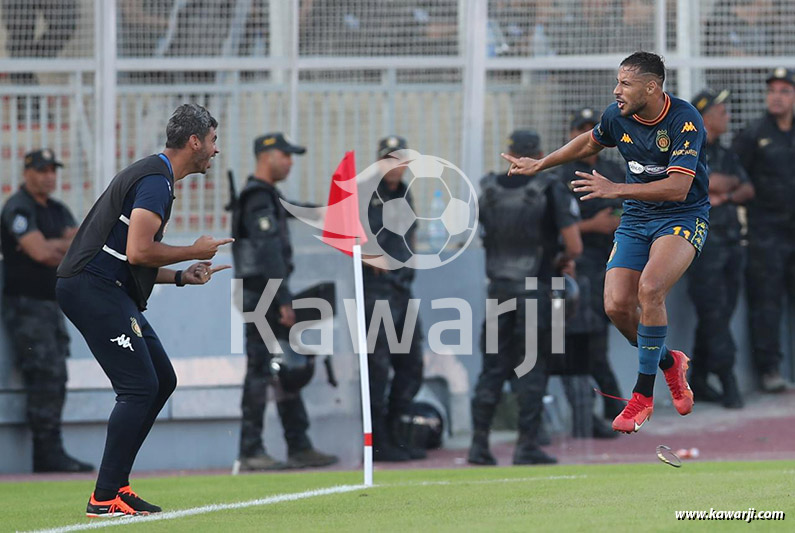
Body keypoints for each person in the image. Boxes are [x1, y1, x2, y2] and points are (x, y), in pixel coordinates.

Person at [502, 51, 706, 434]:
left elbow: (679, 189)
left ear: (652, 86)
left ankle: (642, 395)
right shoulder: (618, 116)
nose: (617, 90)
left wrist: (616, 189)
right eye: (617, 82)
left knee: (650, 289)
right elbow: (589, 143)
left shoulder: (684, 119)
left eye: (625, 83)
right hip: (637, 218)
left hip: (681, 217)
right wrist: (539, 163)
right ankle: (668, 363)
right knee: (615, 307)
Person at [56, 104, 232, 517]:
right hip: (91, 288)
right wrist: (194, 248)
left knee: (161, 380)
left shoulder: (155, 176)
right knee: (138, 387)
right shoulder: (155, 180)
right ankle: (103, 498)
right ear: (194, 142)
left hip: (107, 287)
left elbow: (128, 257)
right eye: (212, 140)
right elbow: (138, 251)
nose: (215, 150)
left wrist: (182, 276)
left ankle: (117, 485)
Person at [468, 129, 582, 465]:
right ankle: (526, 445)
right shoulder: (550, 189)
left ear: (509, 152)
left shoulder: (487, 188)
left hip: (498, 290)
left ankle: (479, 445)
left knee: (492, 369)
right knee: (531, 369)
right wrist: (560, 260)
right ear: (539, 153)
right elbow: (574, 245)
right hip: (535, 291)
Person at [232, 132, 338, 471]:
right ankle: (251, 450)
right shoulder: (257, 198)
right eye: (286, 156)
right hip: (264, 295)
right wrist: (282, 298)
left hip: (268, 294)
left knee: (288, 369)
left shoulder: (267, 197)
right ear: (267, 157)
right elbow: (268, 252)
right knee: (261, 372)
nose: (290, 163)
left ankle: (298, 444)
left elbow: (296, 211)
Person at [0, 149, 92, 473]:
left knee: (56, 374)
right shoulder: (18, 208)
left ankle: (51, 450)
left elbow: (84, 244)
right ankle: (46, 452)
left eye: (53, 169)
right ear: (27, 173)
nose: (49, 176)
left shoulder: (57, 209)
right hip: (27, 305)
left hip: (51, 305)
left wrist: (57, 246)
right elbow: (39, 252)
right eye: (42, 170)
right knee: (44, 374)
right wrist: (61, 247)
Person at [556, 108, 625, 437]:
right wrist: (594, 225)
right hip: (577, 269)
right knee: (585, 343)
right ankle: (606, 412)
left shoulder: (613, 170)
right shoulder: (562, 175)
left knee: (600, 339)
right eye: (580, 130)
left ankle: (612, 411)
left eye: (591, 129)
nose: (587, 136)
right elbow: (559, 229)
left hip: (611, 264)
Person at [688, 89, 754, 408]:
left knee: (720, 313)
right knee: (713, 312)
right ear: (705, 117)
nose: (727, 117)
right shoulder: (688, 150)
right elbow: (703, 181)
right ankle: (728, 380)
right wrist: (721, 184)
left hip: (730, 241)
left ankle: (697, 378)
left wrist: (724, 192)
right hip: (703, 245)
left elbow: (746, 188)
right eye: (722, 111)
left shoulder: (726, 152)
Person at [361, 135, 425, 462]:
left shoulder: (404, 191)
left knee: (412, 364)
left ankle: (397, 432)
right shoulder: (365, 193)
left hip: (401, 289)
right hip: (376, 294)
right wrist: (368, 254)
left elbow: (410, 232)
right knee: (377, 369)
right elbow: (347, 234)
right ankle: (378, 441)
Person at [732, 68, 795, 393]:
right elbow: (733, 174)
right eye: (773, 91)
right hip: (766, 231)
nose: (777, 97)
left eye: (785, 91)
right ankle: (769, 370)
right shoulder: (754, 133)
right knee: (767, 302)